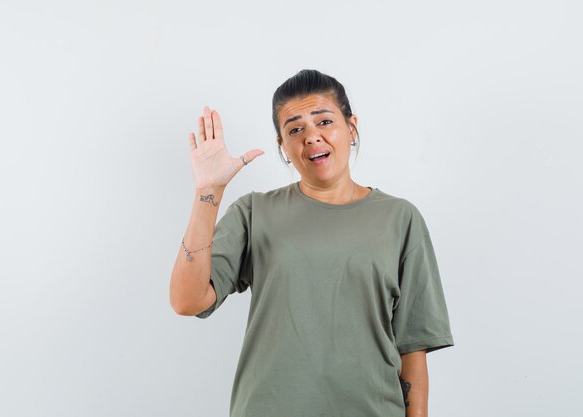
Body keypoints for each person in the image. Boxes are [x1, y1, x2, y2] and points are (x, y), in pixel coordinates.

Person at [170, 69, 454, 417]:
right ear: (282, 147)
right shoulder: (254, 212)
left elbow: (414, 349)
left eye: (324, 121)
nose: (312, 137)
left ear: (351, 128)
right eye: (295, 129)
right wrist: (208, 193)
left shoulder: (400, 219)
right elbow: (188, 301)